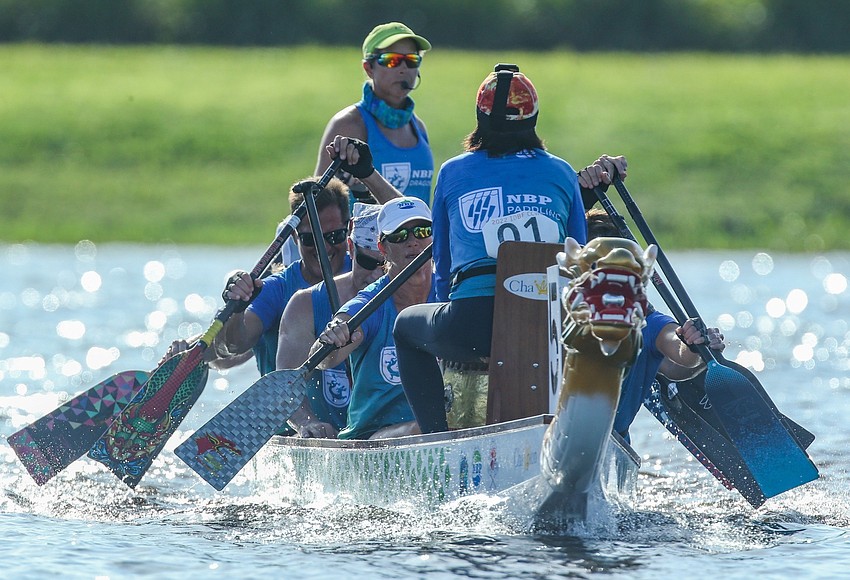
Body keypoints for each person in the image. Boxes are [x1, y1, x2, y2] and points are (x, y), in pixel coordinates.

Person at [392, 63, 629, 434]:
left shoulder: (453, 172)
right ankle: (596, 430)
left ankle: (437, 439)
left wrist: (446, 324)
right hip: (551, 324)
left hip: (473, 323)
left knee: (404, 329)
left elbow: (443, 263)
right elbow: (578, 258)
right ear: (533, 120)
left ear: (479, 119)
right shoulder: (563, 172)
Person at [209, 138, 400, 375]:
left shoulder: (366, 267)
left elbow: (416, 238)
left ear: (349, 231)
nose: (323, 249)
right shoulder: (277, 289)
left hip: (359, 409)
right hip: (294, 408)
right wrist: (236, 311)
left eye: (334, 237)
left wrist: (369, 175)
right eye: (311, 239)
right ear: (295, 237)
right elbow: (231, 348)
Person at [584, 208, 726, 441]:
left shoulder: (648, 324)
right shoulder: (558, 311)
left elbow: (678, 356)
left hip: (609, 442)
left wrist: (695, 346)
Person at [311, 196, 435, 440]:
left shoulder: (450, 291)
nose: (413, 242)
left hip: (436, 429)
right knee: (429, 425)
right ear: (383, 248)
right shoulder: (369, 303)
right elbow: (323, 359)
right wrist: (335, 335)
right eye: (400, 235)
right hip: (371, 438)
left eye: (422, 232)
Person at [276, 203, 385, 438]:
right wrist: (308, 423)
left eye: (385, 266)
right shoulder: (304, 304)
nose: (377, 275)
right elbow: (284, 385)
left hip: (392, 434)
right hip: (330, 436)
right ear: (351, 249)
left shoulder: (425, 294)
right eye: (368, 263)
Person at [316, 21, 434, 207]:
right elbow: (320, 205)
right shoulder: (349, 124)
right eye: (391, 60)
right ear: (369, 68)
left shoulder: (417, 127)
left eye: (412, 60)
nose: (403, 69)